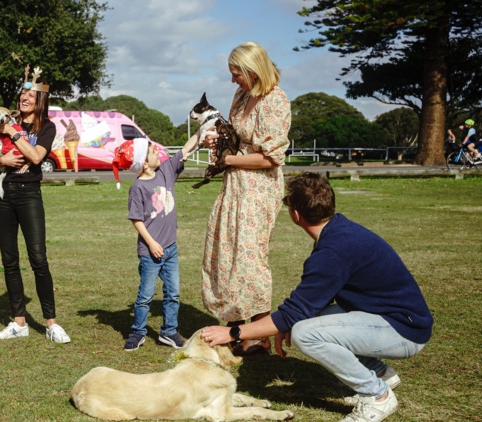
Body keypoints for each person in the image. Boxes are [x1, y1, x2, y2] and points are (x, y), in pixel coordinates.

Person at [201, 172, 434, 422]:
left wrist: (232, 333)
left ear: (296, 214)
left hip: (404, 331)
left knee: (305, 333)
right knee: (306, 322)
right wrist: (283, 324)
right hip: (393, 318)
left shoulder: (331, 251)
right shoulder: (338, 229)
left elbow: (294, 313)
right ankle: (379, 373)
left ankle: (376, 395)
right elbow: (305, 306)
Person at [200, 41, 290, 355]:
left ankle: (260, 334)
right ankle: (238, 329)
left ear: (253, 71)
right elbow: (239, 135)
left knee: (251, 261)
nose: (233, 80)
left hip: (259, 189)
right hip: (235, 185)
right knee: (228, 257)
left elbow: (271, 158)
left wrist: (228, 160)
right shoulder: (243, 95)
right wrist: (220, 138)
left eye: (237, 74)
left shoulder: (275, 100)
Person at [0, 65, 71, 343]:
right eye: (22, 93)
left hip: (29, 194)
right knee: (9, 261)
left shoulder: (46, 127)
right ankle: (19, 322)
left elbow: (36, 157)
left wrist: (13, 132)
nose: (24, 98)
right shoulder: (2, 121)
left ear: (40, 100)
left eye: (30, 95)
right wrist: (1, 160)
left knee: (39, 259)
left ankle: (51, 323)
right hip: (1, 195)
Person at [113, 133, 199, 351]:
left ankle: (169, 332)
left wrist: (202, 131)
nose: (157, 153)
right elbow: (136, 219)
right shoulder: (138, 188)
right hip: (150, 252)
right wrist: (151, 243)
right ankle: (138, 332)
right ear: (144, 163)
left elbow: (186, 149)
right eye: (152, 152)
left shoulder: (166, 171)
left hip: (171, 248)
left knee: (174, 293)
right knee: (145, 297)